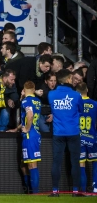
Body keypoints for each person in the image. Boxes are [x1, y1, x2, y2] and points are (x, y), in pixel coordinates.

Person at [47, 69, 83, 197]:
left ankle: (55, 191)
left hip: (58, 132)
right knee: (75, 161)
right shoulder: (76, 95)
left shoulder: (51, 94)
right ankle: (75, 191)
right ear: (68, 79)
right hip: (73, 132)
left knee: (56, 161)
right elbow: (81, 110)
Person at [8, 81, 42, 194]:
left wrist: (27, 128)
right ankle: (29, 191)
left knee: (32, 164)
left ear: (24, 88)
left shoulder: (27, 101)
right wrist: (17, 129)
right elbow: (26, 119)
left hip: (30, 135)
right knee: (24, 165)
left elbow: (30, 115)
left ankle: (35, 193)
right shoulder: (37, 101)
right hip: (34, 134)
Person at [75, 82, 97, 193]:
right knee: (95, 163)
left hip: (79, 139)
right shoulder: (95, 104)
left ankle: (83, 191)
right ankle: (95, 189)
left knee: (81, 164)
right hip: (93, 138)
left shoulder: (76, 104)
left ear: (77, 92)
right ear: (87, 90)